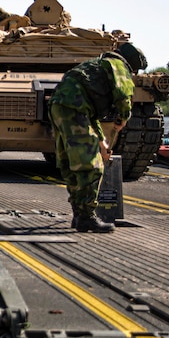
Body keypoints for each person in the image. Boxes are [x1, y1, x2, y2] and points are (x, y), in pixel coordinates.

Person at [48, 42, 147, 233]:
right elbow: (124, 94)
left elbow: (91, 115)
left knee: (71, 163)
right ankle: (86, 217)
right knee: (91, 166)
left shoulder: (96, 66)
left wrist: (101, 141)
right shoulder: (118, 66)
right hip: (75, 107)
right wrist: (124, 117)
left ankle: (79, 215)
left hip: (60, 106)